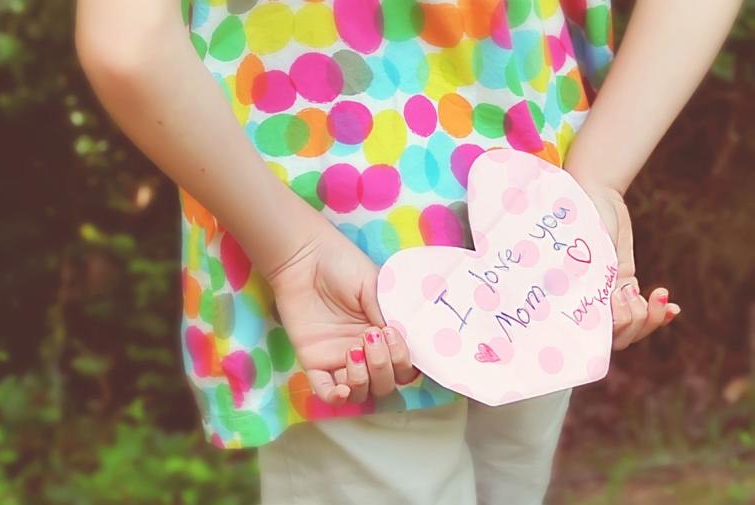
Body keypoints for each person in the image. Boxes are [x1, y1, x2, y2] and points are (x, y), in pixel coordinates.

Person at [74, 0, 741, 503]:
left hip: (329, 257)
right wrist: (595, 180)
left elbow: (128, 42)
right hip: (538, 232)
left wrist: (293, 250)